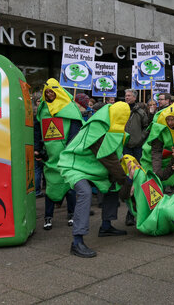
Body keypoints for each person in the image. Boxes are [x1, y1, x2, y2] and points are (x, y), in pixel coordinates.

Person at [57, 102, 132, 258]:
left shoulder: (112, 125)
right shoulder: (97, 126)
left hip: (94, 169)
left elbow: (114, 155)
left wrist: (120, 180)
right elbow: (107, 157)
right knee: (85, 193)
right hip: (74, 166)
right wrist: (125, 181)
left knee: (112, 188)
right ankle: (77, 241)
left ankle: (106, 226)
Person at [34, 79, 83, 230]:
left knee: (69, 187)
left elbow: (75, 129)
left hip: (66, 155)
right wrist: (37, 149)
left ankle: (72, 214)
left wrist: (69, 149)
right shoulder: (42, 109)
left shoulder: (70, 108)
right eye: (47, 92)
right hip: (49, 156)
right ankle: (48, 217)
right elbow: (37, 130)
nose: (49, 95)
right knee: (51, 186)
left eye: (52, 92)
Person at [123, 89, 150, 226]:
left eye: (128, 96)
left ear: (134, 97)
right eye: (125, 95)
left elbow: (147, 127)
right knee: (128, 176)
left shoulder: (141, 112)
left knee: (138, 176)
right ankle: (129, 212)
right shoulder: (121, 109)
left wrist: (141, 139)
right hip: (125, 146)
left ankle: (135, 211)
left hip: (137, 147)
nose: (126, 97)